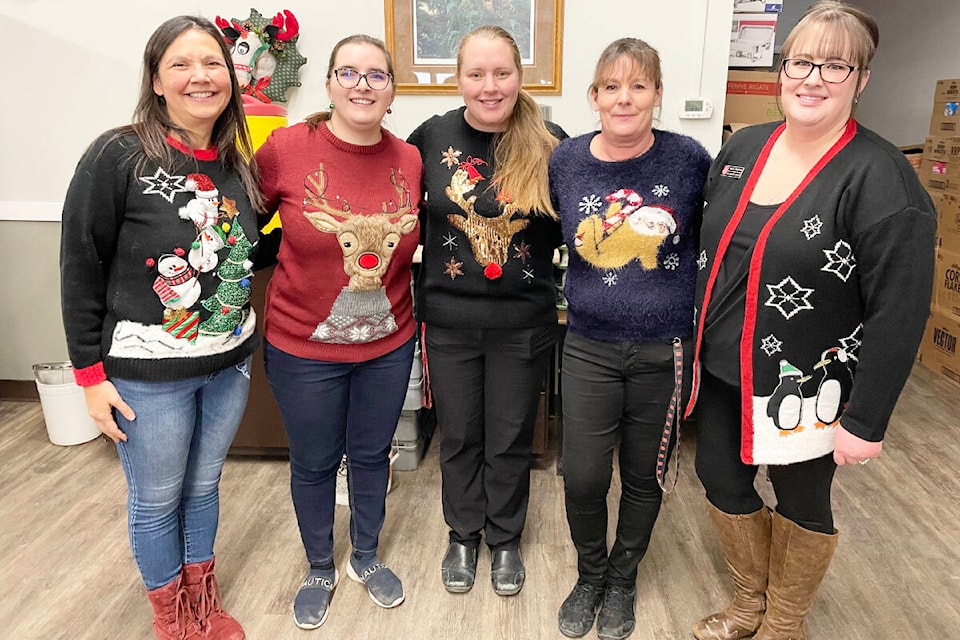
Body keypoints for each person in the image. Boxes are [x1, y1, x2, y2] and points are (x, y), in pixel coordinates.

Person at [687, 3, 937, 639]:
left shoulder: (882, 181)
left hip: (804, 382)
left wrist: (866, 420)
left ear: (861, 80)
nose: (813, 77)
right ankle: (749, 604)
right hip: (721, 366)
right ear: (783, 69)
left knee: (800, 500)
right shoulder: (743, 148)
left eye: (836, 64)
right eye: (801, 61)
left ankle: (784, 623)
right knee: (718, 477)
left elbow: (899, 313)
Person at [60, 15, 263, 640]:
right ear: (156, 79)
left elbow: (250, 247)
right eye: (182, 63)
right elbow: (80, 265)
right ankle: (171, 618)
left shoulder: (236, 159)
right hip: (148, 375)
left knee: (203, 486)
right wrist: (89, 377)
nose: (200, 76)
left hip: (227, 364)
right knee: (156, 499)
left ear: (230, 77)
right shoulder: (118, 153)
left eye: (212, 64)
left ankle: (203, 600)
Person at [254, 34, 422, 629]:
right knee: (315, 460)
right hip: (303, 347)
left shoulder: (409, 160)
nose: (361, 84)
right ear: (328, 84)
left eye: (376, 75)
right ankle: (321, 564)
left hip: (388, 344)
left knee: (373, 453)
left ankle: (368, 557)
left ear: (392, 92)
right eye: (348, 72)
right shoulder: (285, 149)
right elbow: (242, 223)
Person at [548, 38, 712, 640]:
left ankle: (622, 578)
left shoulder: (690, 159)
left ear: (657, 95)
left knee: (644, 474)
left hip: (664, 348)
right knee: (585, 475)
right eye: (612, 86)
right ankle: (590, 574)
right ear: (594, 96)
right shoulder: (565, 161)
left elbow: (718, 240)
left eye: (639, 86)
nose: (625, 98)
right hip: (589, 343)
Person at [407, 25, 566, 597]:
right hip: (448, 321)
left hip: (523, 324)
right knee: (459, 435)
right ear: (458, 79)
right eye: (476, 74)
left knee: (509, 436)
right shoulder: (430, 137)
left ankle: (504, 539)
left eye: (502, 73)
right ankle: (463, 533)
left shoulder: (549, 141)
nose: (490, 86)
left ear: (519, 76)